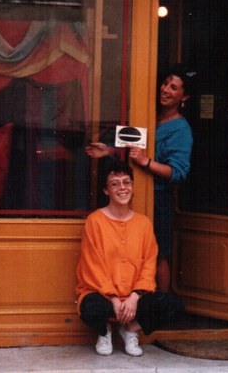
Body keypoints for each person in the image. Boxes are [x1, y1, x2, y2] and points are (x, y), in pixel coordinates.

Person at [86, 65, 193, 293]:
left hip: (158, 202)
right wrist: (109, 151)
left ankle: (160, 306)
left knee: (158, 253)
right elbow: (131, 151)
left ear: (184, 97)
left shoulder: (181, 129)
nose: (165, 90)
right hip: (131, 198)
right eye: (165, 84)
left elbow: (178, 173)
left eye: (173, 88)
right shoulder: (148, 115)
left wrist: (146, 162)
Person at [75, 159, 158, 356]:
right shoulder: (95, 221)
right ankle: (105, 331)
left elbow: (149, 263)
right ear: (106, 190)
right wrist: (113, 298)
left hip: (132, 298)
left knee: (172, 305)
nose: (123, 188)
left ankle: (130, 330)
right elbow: (92, 265)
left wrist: (135, 296)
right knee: (90, 307)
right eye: (115, 183)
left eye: (126, 182)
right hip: (104, 296)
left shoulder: (143, 223)